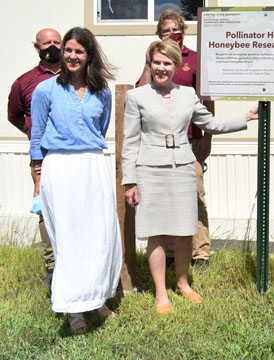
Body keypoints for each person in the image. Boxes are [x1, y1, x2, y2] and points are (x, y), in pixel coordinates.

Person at [122, 39, 258, 314]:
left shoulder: (188, 94)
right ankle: (161, 292)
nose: (161, 68)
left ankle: (182, 283)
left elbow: (212, 124)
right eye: (156, 62)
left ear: (175, 66)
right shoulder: (137, 97)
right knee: (156, 233)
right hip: (150, 169)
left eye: (167, 63)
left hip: (183, 166)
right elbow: (130, 141)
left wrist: (246, 116)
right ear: (150, 64)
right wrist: (130, 180)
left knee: (185, 231)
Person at [30, 27, 122, 334]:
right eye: (68, 50)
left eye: (79, 51)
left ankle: (96, 299)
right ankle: (73, 310)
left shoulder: (103, 92)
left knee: (98, 237)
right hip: (59, 168)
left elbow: (100, 128)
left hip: (92, 167)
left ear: (89, 56)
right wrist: (37, 178)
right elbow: (37, 137)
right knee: (68, 240)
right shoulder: (45, 90)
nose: (72, 56)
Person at [138, 9, 213, 267]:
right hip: (159, 145)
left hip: (190, 141)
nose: (171, 34)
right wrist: (149, 62)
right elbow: (139, 92)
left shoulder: (194, 59)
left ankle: (200, 252)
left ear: (183, 30)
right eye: (165, 30)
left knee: (195, 195)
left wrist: (207, 138)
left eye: (175, 29)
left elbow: (208, 99)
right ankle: (170, 253)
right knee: (166, 198)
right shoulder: (155, 60)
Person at [7, 28, 62, 284]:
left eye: (56, 42)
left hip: (72, 156)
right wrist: (34, 135)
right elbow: (15, 115)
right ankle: (53, 267)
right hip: (42, 159)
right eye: (46, 43)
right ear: (37, 47)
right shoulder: (25, 82)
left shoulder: (76, 76)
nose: (52, 46)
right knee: (46, 212)